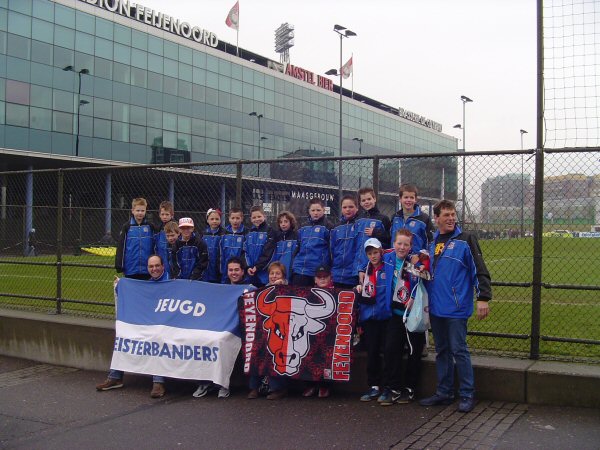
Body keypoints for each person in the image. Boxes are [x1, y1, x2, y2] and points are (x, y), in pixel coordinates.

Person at [419, 200, 492, 413]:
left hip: (456, 308)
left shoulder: (466, 240)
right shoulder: (432, 243)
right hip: (436, 307)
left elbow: (479, 269)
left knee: (459, 350)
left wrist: (483, 297)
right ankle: (444, 392)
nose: (451, 218)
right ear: (437, 218)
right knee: (441, 351)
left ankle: (467, 394)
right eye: (446, 215)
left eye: (453, 214)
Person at [96, 254, 169, 398]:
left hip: (165, 327)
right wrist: (121, 286)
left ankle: (158, 381)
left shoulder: (171, 283)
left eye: (157, 266)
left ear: (163, 266)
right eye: (151, 266)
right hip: (147, 324)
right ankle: (115, 377)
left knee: (157, 338)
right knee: (123, 335)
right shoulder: (146, 285)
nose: (154, 269)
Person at [376, 229, 429, 406]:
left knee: (414, 352)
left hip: (413, 314)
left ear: (411, 246)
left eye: (406, 244)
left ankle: (410, 387)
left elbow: (427, 270)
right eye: (399, 243)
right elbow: (370, 258)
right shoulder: (387, 258)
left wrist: (422, 263)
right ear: (393, 243)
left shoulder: (414, 260)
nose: (402, 247)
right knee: (391, 350)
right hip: (394, 313)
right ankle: (393, 387)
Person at [195, 256, 251, 399]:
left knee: (223, 341)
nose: (233, 273)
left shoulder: (249, 288)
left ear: (242, 271)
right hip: (219, 326)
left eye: (236, 270)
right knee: (204, 339)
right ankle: (205, 382)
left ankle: (223, 384)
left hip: (238, 329)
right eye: (231, 270)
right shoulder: (221, 288)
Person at [355, 238, 391, 403]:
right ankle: (374, 385)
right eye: (370, 253)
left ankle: (388, 386)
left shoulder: (388, 267)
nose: (373, 256)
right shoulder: (365, 270)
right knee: (372, 352)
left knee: (388, 352)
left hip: (386, 316)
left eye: (376, 252)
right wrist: (359, 289)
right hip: (370, 318)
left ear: (381, 251)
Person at [247, 262, 289, 400]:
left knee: (275, 352)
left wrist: (280, 286)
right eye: (272, 273)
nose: (274, 276)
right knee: (256, 351)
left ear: (283, 276)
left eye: (277, 273)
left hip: (281, 331)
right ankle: (254, 387)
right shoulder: (263, 289)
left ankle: (278, 388)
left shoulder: (288, 289)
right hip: (263, 329)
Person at [301, 265, 335, 399]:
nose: (322, 279)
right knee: (308, 355)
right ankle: (310, 385)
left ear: (330, 278)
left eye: (325, 277)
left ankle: (324, 386)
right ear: (315, 279)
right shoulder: (307, 293)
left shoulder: (337, 292)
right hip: (311, 332)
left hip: (329, 332)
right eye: (319, 277)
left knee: (326, 357)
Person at [291, 198, 333, 286]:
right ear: (309, 211)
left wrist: (327, 267)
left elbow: (331, 250)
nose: (315, 213)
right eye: (313, 210)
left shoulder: (328, 227)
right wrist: (294, 263)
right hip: (300, 269)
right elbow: (297, 247)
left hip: (317, 270)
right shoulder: (302, 227)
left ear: (324, 210)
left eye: (318, 210)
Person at [115, 198, 156, 280]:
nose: (140, 213)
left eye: (142, 210)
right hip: (131, 269)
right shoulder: (127, 227)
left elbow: (155, 246)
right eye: (137, 210)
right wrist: (120, 265)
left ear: (145, 211)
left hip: (147, 269)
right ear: (132, 211)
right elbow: (121, 247)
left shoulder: (150, 226)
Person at [355, 187, 391, 275]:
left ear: (374, 199)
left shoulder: (383, 219)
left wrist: (376, 233)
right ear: (360, 203)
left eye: (369, 199)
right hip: (358, 265)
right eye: (363, 200)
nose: (366, 202)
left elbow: (389, 239)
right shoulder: (358, 219)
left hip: (376, 265)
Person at [390, 184, 433, 254]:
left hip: (415, 260)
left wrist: (423, 256)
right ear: (400, 199)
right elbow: (390, 238)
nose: (409, 200)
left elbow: (431, 241)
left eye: (411, 197)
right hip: (396, 259)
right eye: (406, 197)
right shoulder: (395, 218)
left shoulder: (424, 219)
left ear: (415, 199)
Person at [330, 194, 360, 289]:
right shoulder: (336, 228)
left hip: (353, 274)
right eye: (345, 207)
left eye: (351, 207)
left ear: (357, 208)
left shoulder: (360, 224)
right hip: (337, 275)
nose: (348, 209)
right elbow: (332, 250)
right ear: (341, 209)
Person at [246, 205, 277, 287]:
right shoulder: (249, 233)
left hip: (263, 273)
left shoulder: (270, 231)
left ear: (264, 216)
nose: (257, 219)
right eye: (254, 217)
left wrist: (257, 267)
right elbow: (245, 252)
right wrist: (248, 267)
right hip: (250, 272)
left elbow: (268, 253)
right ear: (251, 219)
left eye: (259, 216)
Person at [268, 211, 298, 284]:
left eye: (286, 221)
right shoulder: (276, 237)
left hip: (291, 270)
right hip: (278, 272)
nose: (283, 224)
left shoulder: (296, 236)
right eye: (281, 222)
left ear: (291, 222)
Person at [220, 207, 247, 283]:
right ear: (229, 219)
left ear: (242, 219)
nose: (235, 221)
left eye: (238, 218)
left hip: (238, 269)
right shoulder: (223, 233)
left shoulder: (246, 233)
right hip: (226, 267)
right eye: (233, 218)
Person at [202, 208, 225, 283]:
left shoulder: (224, 234)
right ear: (207, 220)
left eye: (217, 219)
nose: (214, 221)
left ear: (220, 220)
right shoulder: (203, 234)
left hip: (218, 266)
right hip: (206, 267)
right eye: (212, 219)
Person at [154, 201, 176, 278]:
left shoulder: (175, 226)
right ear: (159, 215)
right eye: (162, 214)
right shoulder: (158, 228)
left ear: (172, 215)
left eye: (167, 214)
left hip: (171, 255)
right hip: (161, 255)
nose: (164, 217)